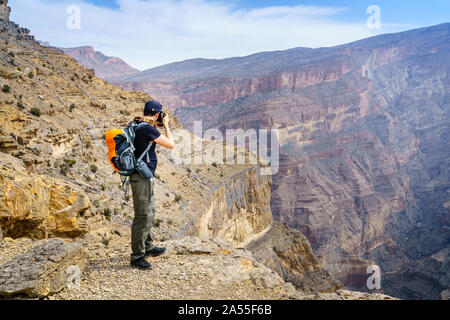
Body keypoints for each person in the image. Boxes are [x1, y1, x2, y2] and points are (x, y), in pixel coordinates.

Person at [129, 100, 174, 270]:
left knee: (149, 211)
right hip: (141, 177)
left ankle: (148, 246)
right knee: (143, 215)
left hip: (142, 175)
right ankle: (137, 256)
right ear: (157, 114)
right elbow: (170, 144)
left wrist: (157, 123)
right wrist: (167, 125)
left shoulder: (136, 123)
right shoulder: (148, 128)